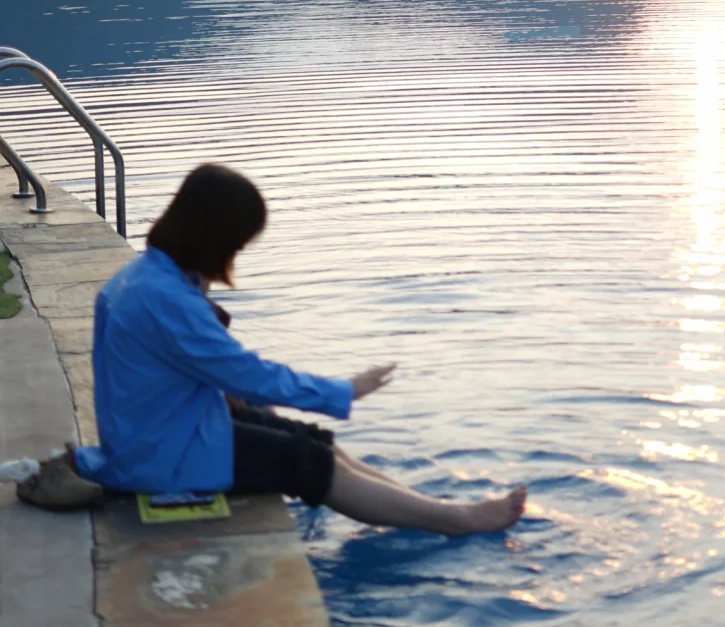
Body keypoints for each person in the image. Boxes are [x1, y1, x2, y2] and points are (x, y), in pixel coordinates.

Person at [19, 164, 527, 535]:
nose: (235, 254)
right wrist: (345, 388)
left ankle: (427, 505)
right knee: (302, 461)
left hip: (161, 430)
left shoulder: (149, 275)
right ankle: (457, 520)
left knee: (311, 440)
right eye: (236, 243)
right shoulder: (165, 299)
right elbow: (247, 374)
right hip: (162, 457)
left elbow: (197, 370)